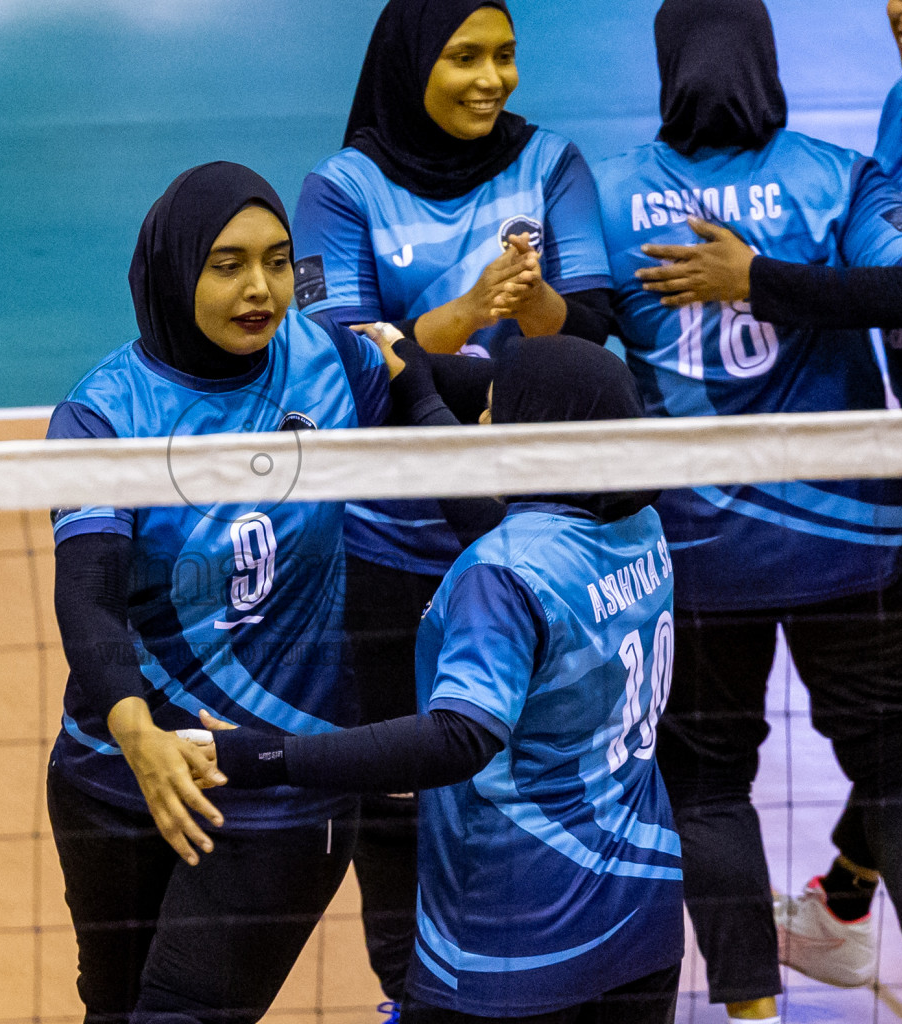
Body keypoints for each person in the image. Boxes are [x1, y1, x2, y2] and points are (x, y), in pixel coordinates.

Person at [593, 1, 902, 1021]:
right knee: (901, 769)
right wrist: (776, 276)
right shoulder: (834, 174)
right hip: (851, 540)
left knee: (709, 785)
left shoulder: (616, 191)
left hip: (696, 547)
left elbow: (577, 334)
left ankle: (751, 1012)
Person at [200, 333, 685, 1023]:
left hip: (513, 943)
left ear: (538, 437)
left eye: (493, 412)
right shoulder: (639, 526)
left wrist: (268, 755)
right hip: (643, 921)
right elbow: (516, 532)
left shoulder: (501, 573)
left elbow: (458, 738)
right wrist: (421, 397)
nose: (481, 426)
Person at [288, 0, 617, 1002]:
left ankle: (523, 973)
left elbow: (588, 332)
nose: (492, 79)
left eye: (506, 56)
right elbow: (343, 362)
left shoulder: (551, 164)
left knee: (528, 771)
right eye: (465, 57)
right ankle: (406, 984)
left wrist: (532, 307)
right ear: (411, 63)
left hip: (526, 538)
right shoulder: (341, 190)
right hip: (391, 541)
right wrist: (475, 315)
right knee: (394, 787)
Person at [44, 162, 391, 1024]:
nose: (261, 289)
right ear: (176, 269)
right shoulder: (105, 414)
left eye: (278, 261)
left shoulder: (331, 361)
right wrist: (139, 736)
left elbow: (449, 399)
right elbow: (86, 597)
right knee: (115, 1009)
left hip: (282, 785)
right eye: (228, 264)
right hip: (115, 774)